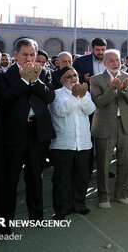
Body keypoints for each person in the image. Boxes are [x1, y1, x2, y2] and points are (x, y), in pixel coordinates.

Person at [0, 38, 55, 222]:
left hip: (38, 133)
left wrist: (35, 81)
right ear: (15, 55)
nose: (29, 59)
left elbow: (49, 97)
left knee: (35, 176)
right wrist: (23, 80)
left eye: (32, 55)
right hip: (15, 134)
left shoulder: (44, 73)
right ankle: (6, 219)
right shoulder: (3, 74)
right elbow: (4, 99)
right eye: (25, 55)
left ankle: (36, 216)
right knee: (11, 177)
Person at [89, 49, 128, 208]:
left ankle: (120, 193)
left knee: (125, 161)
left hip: (125, 124)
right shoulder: (96, 80)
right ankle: (103, 197)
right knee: (103, 163)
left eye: (117, 60)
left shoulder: (127, 77)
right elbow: (99, 102)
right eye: (111, 61)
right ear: (104, 63)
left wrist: (124, 89)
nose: (115, 63)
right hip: (104, 125)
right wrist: (113, 89)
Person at [48, 66, 96, 219]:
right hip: (63, 144)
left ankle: (79, 205)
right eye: (69, 76)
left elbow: (90, 110)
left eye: (75, 75)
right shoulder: (56, 94)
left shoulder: (85, 93)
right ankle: (61, 209)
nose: (73, 78)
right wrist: (73, 97)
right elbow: (60, 111)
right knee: (62, 178)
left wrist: (81, 97)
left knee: (81, 176)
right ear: (62, 80)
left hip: (83, 143)